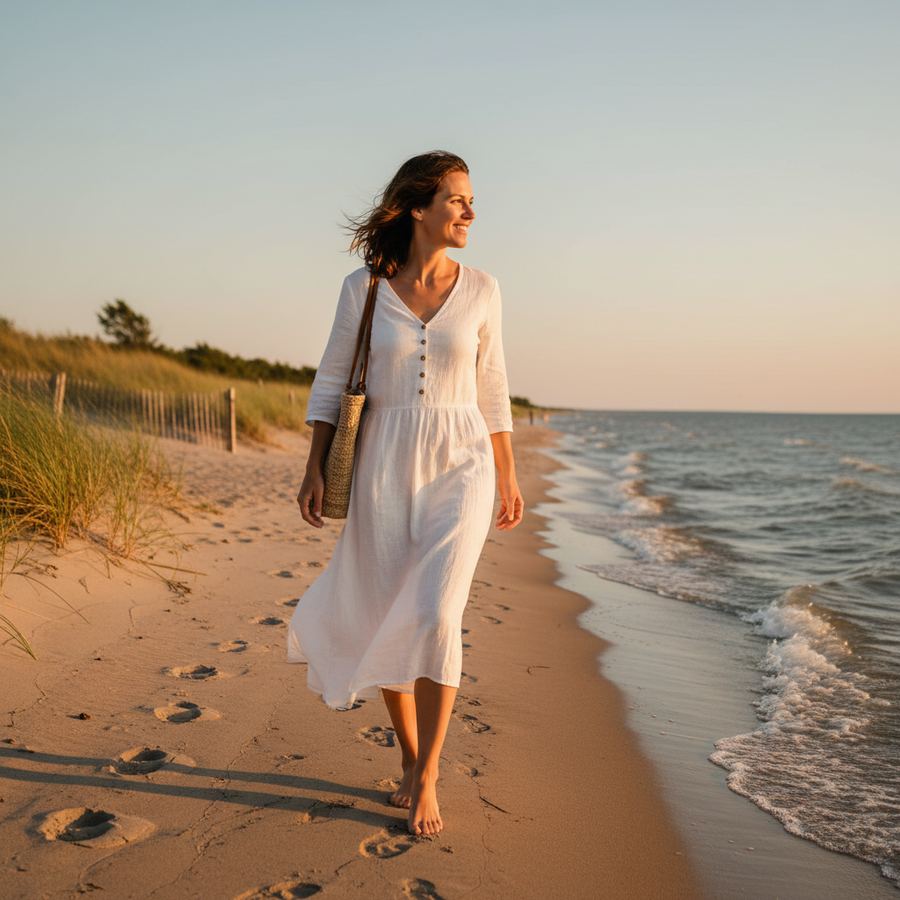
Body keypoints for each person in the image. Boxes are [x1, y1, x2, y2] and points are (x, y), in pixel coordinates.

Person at [289, 150, 524, 837]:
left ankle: (429, 774)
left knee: (436, 612)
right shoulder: (362, 288)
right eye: (457, 199)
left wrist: (508, 473)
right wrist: (313, 465)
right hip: (383, 462)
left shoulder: (484, 289)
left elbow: (494, 386)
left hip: (463, 460)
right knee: (389, 607)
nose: (471, 212)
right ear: (418, 207)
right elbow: (332, 381)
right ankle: (411, 755)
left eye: (472, 199)